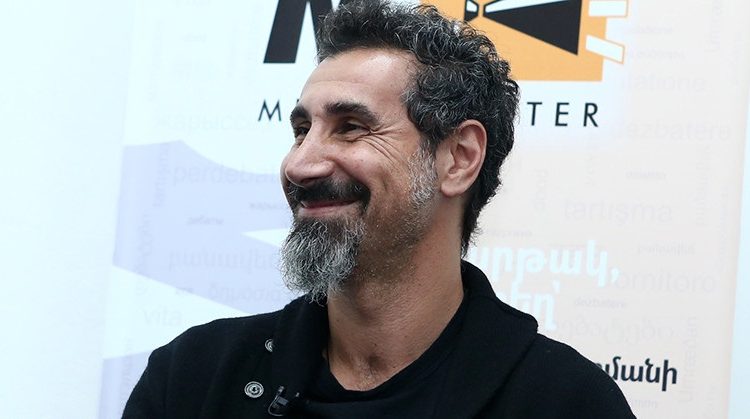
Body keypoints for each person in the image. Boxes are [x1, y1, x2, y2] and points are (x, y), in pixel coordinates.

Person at [123, 1, 636, 417]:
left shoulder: (563, 401)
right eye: (301, 131)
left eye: (350, 127)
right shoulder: (193, 377)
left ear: (458, 159)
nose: (299, 165)